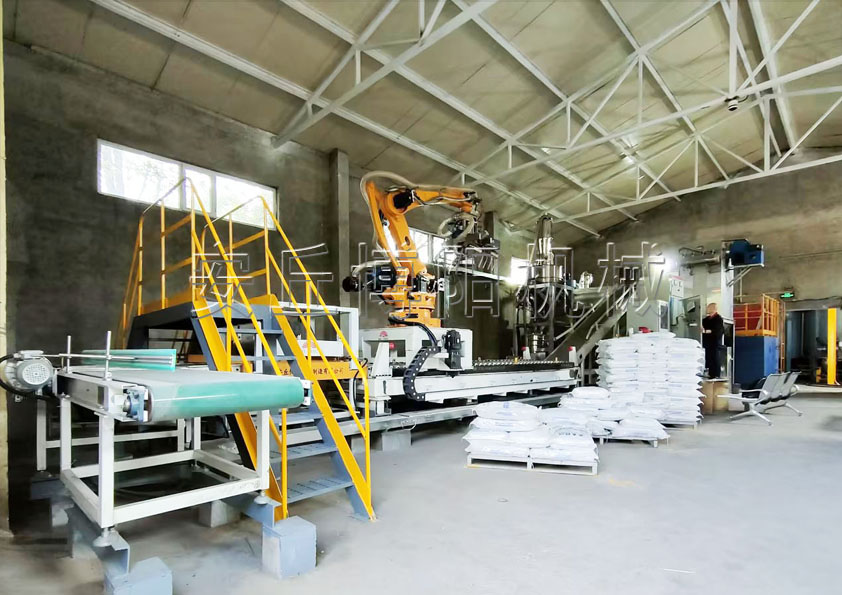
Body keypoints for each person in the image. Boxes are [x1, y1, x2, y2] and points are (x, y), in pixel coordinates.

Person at [702, 302, 725, 378]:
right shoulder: (706, 320)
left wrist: (707, 331)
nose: (707, 309)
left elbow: (718, 331)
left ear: (713, 309)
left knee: (715, 358)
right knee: (707, 358)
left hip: (714, 343)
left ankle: (715, 375)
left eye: (709, 307)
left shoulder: (718, 319)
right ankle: (708, 373)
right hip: (707, 343)